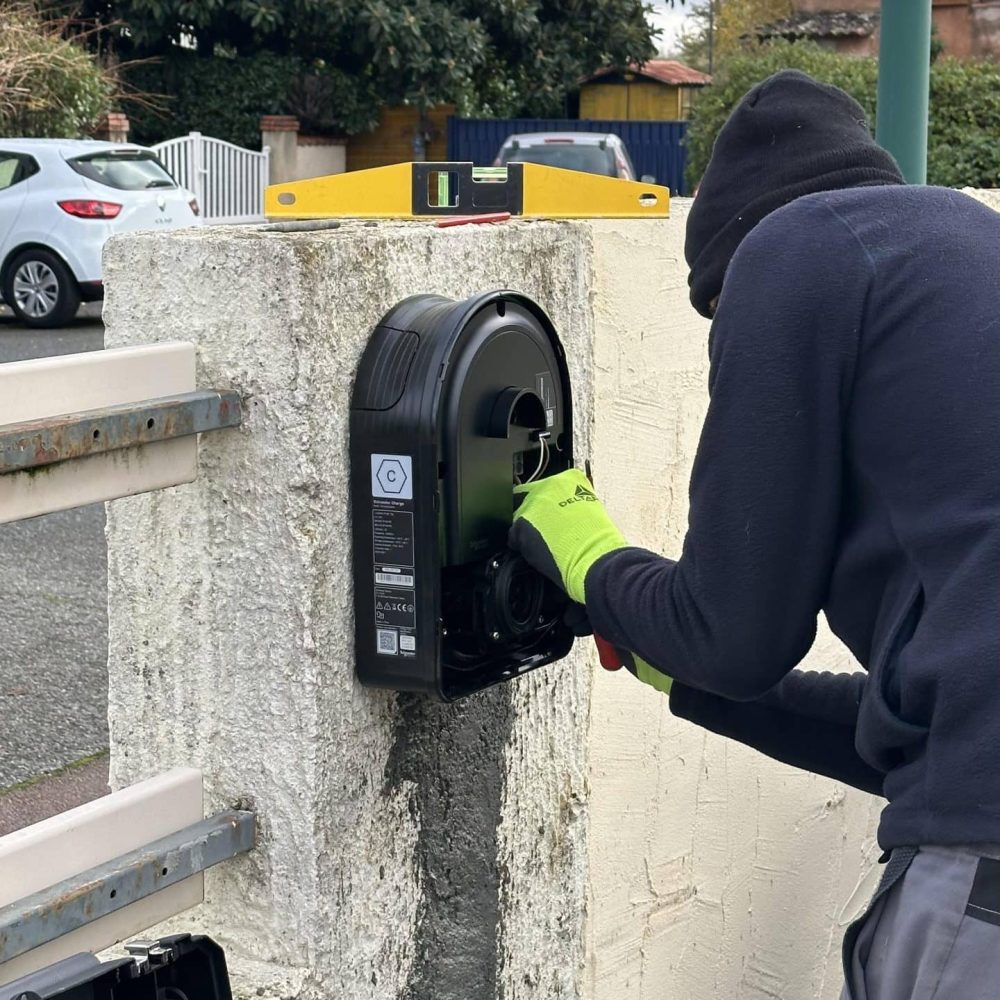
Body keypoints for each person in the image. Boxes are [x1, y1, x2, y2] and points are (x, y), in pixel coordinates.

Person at [509, 70, 1000, 1000]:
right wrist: (690, 679)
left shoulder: (792, 246)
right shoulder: (970, 247)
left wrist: (586, 556)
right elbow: (919, 733)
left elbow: (733, 637)